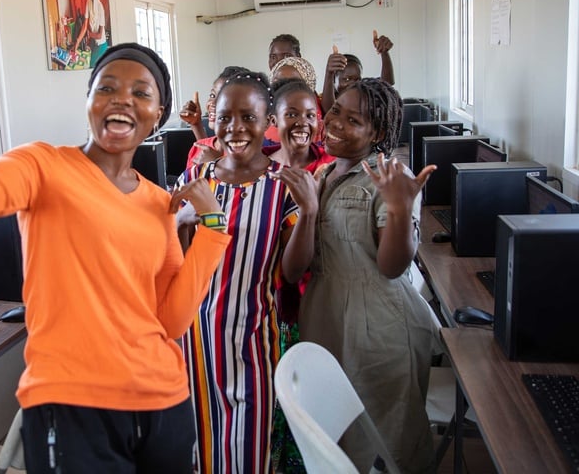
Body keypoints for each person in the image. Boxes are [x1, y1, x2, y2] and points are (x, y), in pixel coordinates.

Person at [0, 24, 232, 473]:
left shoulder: (157, 202)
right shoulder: (44, 166)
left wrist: (212, 231)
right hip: (72, 404)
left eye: (140, 92)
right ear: (89, 101)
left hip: (163, 403)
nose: (122, 98)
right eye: (106, 87)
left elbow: (169, 322)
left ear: (157, 112)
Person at [175, 71, 317, 474]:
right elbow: (182, 265)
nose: (235, 128)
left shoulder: (283, 185)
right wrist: (180, 229)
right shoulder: (195, 178)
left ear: (266, 119)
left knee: (249, 453)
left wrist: (308, 213)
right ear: (212, 121)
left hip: (254, 343)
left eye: (248, 117)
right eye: (224, 118)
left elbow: (292, 272)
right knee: (201, 451)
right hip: (197, 343)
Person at [296, 77, 439, 474]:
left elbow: (394, 266)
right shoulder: (322, 175)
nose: (336, 123)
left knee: (388, 447)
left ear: (376, 132)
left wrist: (398, 210)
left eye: (352, 119)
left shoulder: (389, 178)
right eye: (336, 111)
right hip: (327, 324)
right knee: (337, 447)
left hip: (379, 331)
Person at [265, 77, 334, 473]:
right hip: (271, 310)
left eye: (310, 114)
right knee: (279, 406)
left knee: (313, 407)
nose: (302, 122)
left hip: (317, 305)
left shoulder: (327, 170)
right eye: (291, 114)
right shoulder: (261, 168)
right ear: (274, 119)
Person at [178, 66, 248, 168]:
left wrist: (218, 165)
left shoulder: (248, 153)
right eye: (212, 95)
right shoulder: (198, 148)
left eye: (224, 97)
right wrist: (196, 124)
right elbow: (188, 182)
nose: (213, 103)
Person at [321, 30, 395, 114]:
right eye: (347, 79)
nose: (353, 84)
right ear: (334, 81)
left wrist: (384, 53)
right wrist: (329, 73)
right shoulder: (328, 97)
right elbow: (329, 110)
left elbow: (387, 84)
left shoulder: (363, 94)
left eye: (357, 79)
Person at [267, 55, 324, 147]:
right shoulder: (261, 129)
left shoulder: (322, 132)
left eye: (294, 84)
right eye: (278, 82)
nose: (286, 89)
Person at [72, 0, 108, 66]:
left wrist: (89, 34)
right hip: (94, 42)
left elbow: (99, 35)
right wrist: (77, 41)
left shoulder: (100, 8)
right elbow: (85, 26)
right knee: (87, 62)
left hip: (101, 44)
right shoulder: (88, 2)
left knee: (92, 66)